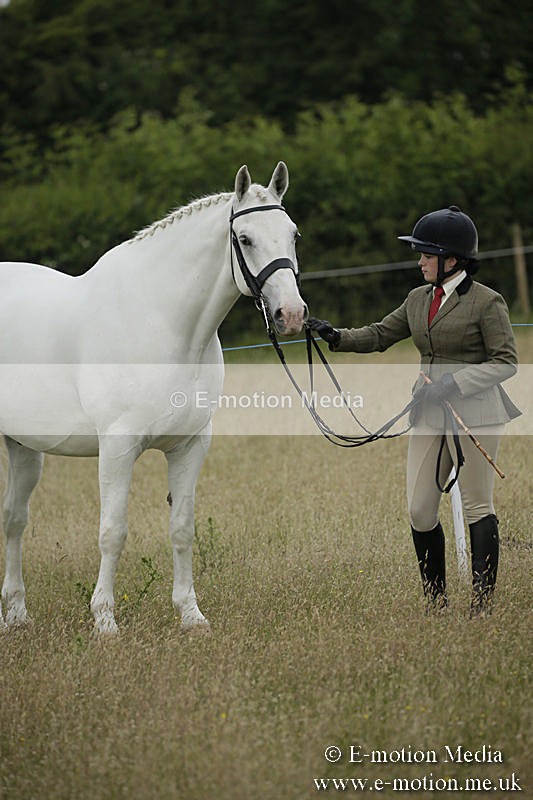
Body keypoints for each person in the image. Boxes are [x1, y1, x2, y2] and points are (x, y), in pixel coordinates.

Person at [308, 206, 520, 616]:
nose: (419, 260)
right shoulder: (417, 299)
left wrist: (454, 384)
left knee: (477, 506)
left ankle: (481, 607)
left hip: (477, 413)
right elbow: (380, 334)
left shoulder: (486, 302)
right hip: (427, 412)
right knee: (420, 510)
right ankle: (436, 604)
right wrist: (336, 336)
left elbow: (505, 362)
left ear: (451, 259)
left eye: (426, 254)